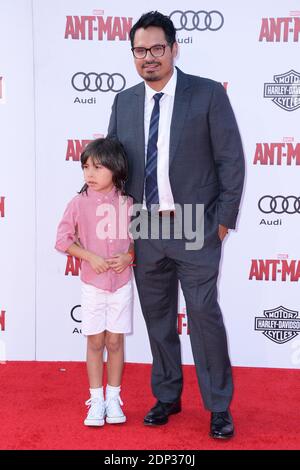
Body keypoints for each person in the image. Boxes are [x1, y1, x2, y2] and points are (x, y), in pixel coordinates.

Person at [107, 11, 245, 439]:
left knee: (204, 316)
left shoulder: (205, 95)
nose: (148, 57)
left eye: (156, 49)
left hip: (194, 227)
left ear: (173, 48)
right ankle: (167, 395)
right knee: (158, 318)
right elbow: (116, 168)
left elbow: (231, 161)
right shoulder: (124, 102)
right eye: (140, 51)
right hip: (146, 228)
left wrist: (221, 224)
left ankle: (218, 405)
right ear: (133, 54)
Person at [55, 138, 134, 427]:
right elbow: (62, 240)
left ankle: (114, 397)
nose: (90, 173)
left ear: (115, 169)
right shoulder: (78, 203)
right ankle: (96, 399)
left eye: (98, 167)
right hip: (92, 284)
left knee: (115, 341)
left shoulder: (128, 203)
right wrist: (88, 256)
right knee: (95, 341)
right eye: (86, 167)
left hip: (122, 283)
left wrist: (129, 257)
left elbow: (139, 242)